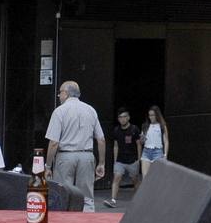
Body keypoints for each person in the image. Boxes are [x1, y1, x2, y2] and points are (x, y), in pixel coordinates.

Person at [45, 81, 105, 212]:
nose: (59, 96)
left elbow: (54, 143)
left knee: (62, 195)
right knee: (87, 198)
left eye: (60, 93)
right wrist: (101, 163)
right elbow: (101, 139)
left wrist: (48, 166)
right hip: (86, 156)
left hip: (65, 156)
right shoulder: (91, 110)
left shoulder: (59, 111)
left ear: (66, 93)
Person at [104, 108, 140, 208]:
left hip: (132, 160)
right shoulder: (116, 130)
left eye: (124, 117)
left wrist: (139, 159)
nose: (122, 119)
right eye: (120, 117)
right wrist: (115, 160)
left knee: (135, 180)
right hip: (120, 160)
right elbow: (116, 145)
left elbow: (138, 144)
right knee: (117, 178)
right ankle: (113, 200)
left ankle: (138, 200)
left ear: (128, 117)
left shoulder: (134, 129)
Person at [138, 105, 169, 180]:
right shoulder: (145, 126)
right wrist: (142, 139)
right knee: (145, 178)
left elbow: (166, 141)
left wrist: (165, 155)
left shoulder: (162, 126)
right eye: (149, 115)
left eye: (152, 115)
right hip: (146, 152)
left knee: (157, 178)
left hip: (158, 152)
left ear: (157, 115)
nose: (151, 117)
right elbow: (141, 142)